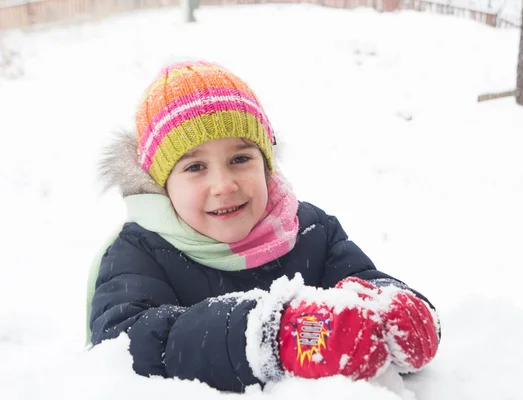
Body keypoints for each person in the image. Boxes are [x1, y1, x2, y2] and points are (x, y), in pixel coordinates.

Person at [88, 60, 440, 393]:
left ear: (267, 165)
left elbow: (361, 278)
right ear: (162, 184)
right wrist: (268, 335)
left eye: (240, 159)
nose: (224, 184)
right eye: (195, 168)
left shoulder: (309, 230)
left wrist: (391, 307)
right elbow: (130, 342)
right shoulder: (137, 253)